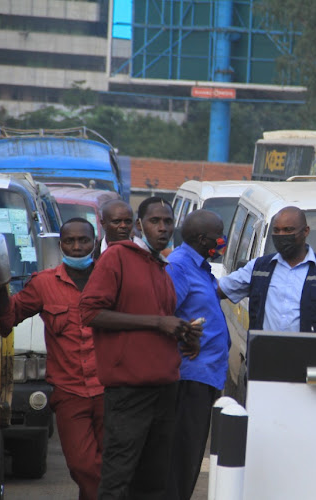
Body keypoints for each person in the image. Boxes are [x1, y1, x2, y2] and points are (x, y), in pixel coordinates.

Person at [79, 197, 201, 500]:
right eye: (154, 221)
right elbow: (90, 313)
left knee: (154, 479)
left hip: (165, 387)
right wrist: (158, 323)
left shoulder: (161, 265)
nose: (162, 228)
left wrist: (184, 332)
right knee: (119, 475)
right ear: (138, 226)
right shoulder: (118, 257)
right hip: (129, 390)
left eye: (168, 222)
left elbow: (158, 322)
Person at [0, 217, 104, 500]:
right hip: (70, 393)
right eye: (70, 241)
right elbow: (8, 320)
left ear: (96, 243)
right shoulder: (44, 283)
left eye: (84, 240)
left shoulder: (110, 281)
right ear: (61, 245)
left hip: (111, 391)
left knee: (113, 465)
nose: (78, 247)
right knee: (83, 465)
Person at [164, 209, 230, 500]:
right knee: (183, 453)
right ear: (203, 239)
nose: (223, 240)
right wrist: (185, 335)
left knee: (190, 453)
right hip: (189, 375)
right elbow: (163, 313)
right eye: (220, 235)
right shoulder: (178, 266)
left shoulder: (200, 266)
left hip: (205, 376)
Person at [218, 205, 316, 334]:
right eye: (276, 230)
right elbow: (217, 289)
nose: (281, 235)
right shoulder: (258, 269)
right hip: (265, 355)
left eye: (288, 230)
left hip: (312, 357)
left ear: (306, 231)